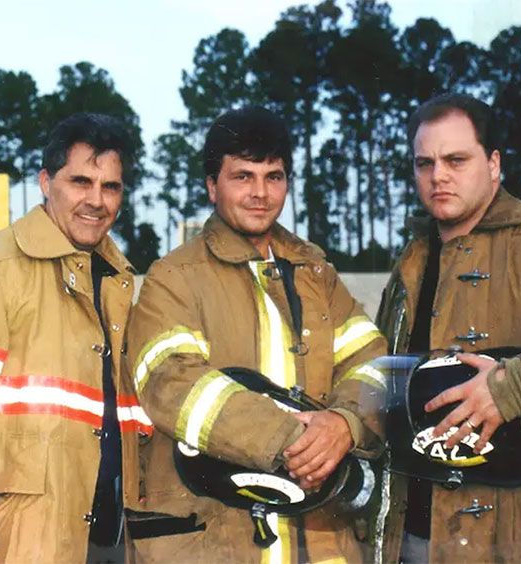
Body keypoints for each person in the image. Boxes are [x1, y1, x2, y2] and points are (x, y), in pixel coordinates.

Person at [125, 106, 387, 563]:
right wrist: (294, 441)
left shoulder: (317, 274)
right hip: (215, 543)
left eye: (274, 176)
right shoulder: (174, 277)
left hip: (323, 544)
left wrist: (344, 424)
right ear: (212, 186)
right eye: (243, 176)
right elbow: (172, 384)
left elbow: (373, 366)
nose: (261, 193)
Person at [0, 113, 151, 563]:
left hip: (112, 545)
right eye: (80, 181)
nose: (96, 200)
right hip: (17, 543)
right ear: (44, 182)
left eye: (110, 187)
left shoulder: (125, 287)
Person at [376, 92, 521, 563]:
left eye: (455, 159)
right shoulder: (411, 260)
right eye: (424, 162)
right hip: (410, 537)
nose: (438, 176)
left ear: (493, 164)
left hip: (514, 541)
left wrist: (514, 387)